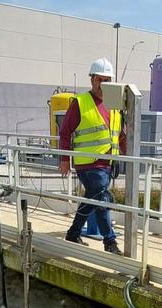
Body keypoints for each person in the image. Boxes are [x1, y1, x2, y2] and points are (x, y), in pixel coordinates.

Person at [58, 57, 125, 255]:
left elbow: (120, 133)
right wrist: (64, 159)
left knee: (92, 198)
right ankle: (110, 242)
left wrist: (128, 156)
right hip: (87, 164)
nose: (102, 84)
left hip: (107, 163)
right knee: (101, 198)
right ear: (92, 80)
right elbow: (65, 132)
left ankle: (73, 233)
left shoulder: (115, 104)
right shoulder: (80, 102)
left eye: (106, 80)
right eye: (99, 80)